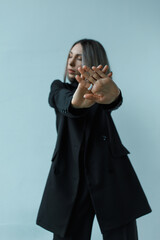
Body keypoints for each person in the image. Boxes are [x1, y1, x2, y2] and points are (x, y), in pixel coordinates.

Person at [36, 39, 152, 240]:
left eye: (79, 57)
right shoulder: (59, 88)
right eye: (69, 56)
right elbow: (61, 99)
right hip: (71, 177)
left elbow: (111, 101)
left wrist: (115, 97)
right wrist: (75, 103)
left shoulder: (102, 91)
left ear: (93, 61)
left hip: (109, 172)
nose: (71, 63)